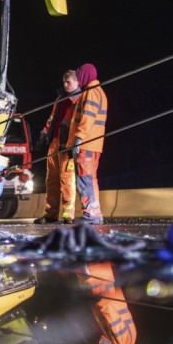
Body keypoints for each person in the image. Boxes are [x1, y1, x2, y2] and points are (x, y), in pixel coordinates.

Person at [34, 70, 79, 224]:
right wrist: (43, 136)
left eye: (69, 82)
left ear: (77, 82)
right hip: (54, 143)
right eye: (64, 82)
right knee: (51, 179)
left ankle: (68, 215)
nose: (65, 85)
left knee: (67, 180)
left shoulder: (79, 100)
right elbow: (51, 120)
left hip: (68, 145)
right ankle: (50, 215)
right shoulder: (60, 99)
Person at [67, 63, 108, 224]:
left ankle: (91, 214)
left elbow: (87, 118)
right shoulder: (99, 92)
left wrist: (79, 138)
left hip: (86, 144)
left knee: (84, 179)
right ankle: (94, 212)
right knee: (90, 178)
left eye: (80, 75)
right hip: (93, 144)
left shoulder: (90, 93)